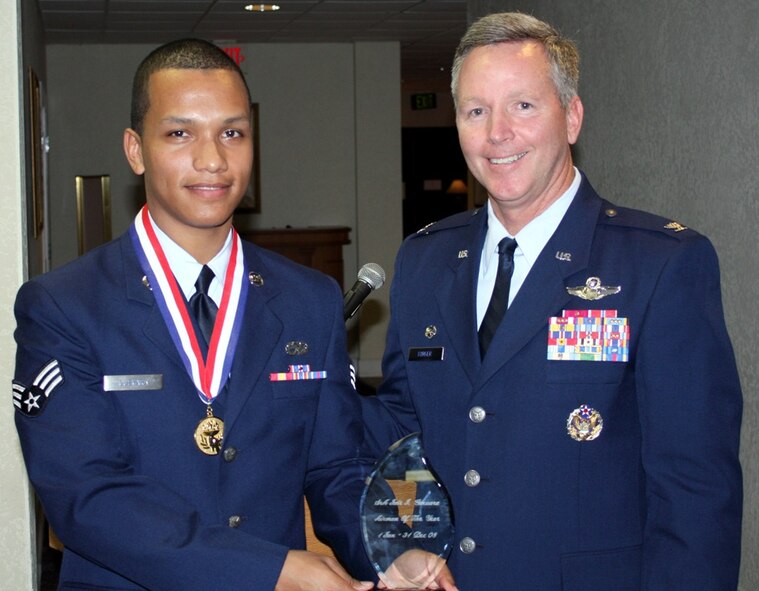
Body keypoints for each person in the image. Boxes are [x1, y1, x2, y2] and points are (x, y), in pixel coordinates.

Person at [362, 12, 743, 590]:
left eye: (523, 106)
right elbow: (401, 431)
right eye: (475, 111)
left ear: (572, 117)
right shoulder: (425, 260)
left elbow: (695, 492)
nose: (497, 134)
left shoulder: (660, 265)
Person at [13, 38, 377, 591]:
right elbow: (88, 499)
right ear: (135, 150)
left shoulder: (309, 299)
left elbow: (336, 470)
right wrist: (267, 569)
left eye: (232, 132)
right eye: (180, 133)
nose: (213, 159)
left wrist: (390, 555)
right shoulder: (65, 306)